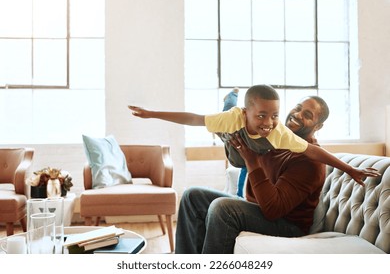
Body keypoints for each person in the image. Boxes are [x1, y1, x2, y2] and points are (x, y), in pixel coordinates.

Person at [128, 84, 379, 186]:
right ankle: (231, 98)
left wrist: (349, 169)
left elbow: (313, 150)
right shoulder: (235, 118)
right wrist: (152, 114)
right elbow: (193, 118)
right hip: (231, 136)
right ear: (248, 112)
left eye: (275, 115)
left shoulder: (278, 131)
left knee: (247, 161)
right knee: (225, 114)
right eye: (262, 116)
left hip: (244, 154)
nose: (269, 123)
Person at [173, 95, 330, 253]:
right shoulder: (278, 137)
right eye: (297, 108)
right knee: (192, 196)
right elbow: (242, 154)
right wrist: (232, 134)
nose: (297, 114)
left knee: (223, 208)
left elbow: (273, 209)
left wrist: (252, 162)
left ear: (318, 127)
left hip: (287, 225)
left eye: (307, 115)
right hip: (258, 209)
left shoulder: (309, 161)